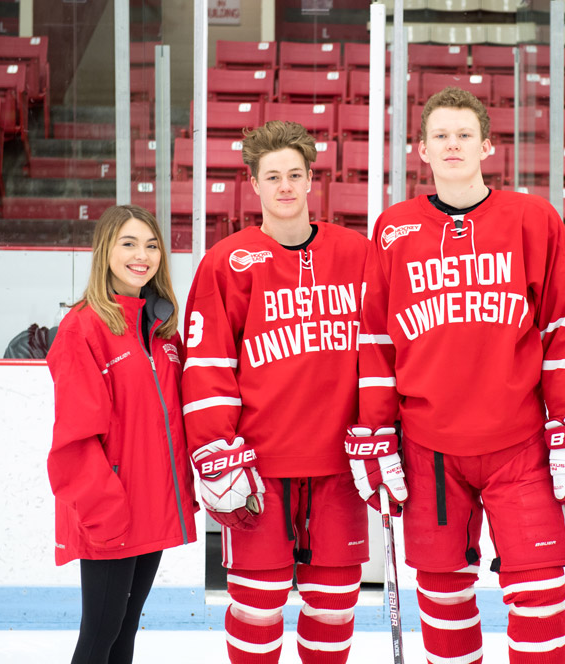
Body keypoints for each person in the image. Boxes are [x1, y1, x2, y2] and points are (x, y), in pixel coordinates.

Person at [349, 86, 565, 664]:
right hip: (427, 448)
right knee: (441, 595)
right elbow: (376, 341)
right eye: (441, 135)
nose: (453, 144)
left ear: (487, 145)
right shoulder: (393, 228)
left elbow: (564, 328)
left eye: (465, 134)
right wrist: (375, 431)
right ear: (422, 150)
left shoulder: (532, 218)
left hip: (520, 443)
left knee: (538, 596)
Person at [181, 120, 371, 663]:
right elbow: (208, 364)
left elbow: (381, 353)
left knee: (334, 608)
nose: (285, 186)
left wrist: (385, 430)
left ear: (311, 180)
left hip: (339, 466)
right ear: (254, 184)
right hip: (258, 468)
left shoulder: (356, 254)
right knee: (257, 608)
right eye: (272, 176)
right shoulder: (226, 261)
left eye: (294, 174)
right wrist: (216, 451)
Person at [46, 204, 198, 664]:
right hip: (109, 510)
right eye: (129, 243)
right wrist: (103, 509)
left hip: (151, 507)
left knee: (125, 630)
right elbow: (74, 438)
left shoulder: (161, 329)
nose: (143, 255)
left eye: (151, 245)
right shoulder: (84, 327)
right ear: (105, 251)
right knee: (100, 633)